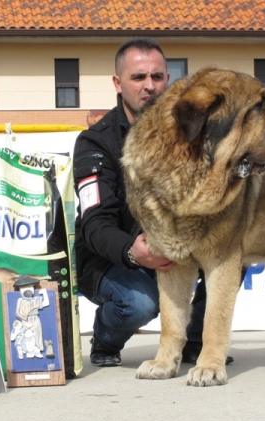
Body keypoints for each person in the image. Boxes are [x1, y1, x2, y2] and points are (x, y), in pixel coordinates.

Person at [73, 38, 233, 367]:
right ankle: (104, 338)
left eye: (157, 77)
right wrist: (134, 252)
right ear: (118, 83)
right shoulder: (95, 142)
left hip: (173, 244)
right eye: (138, 77)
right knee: (138, 303)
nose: (150, 86)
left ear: (168, 81)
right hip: (111, 257)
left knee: (231, 250)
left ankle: (196, 341)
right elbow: (95, 223)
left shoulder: (191, 133)